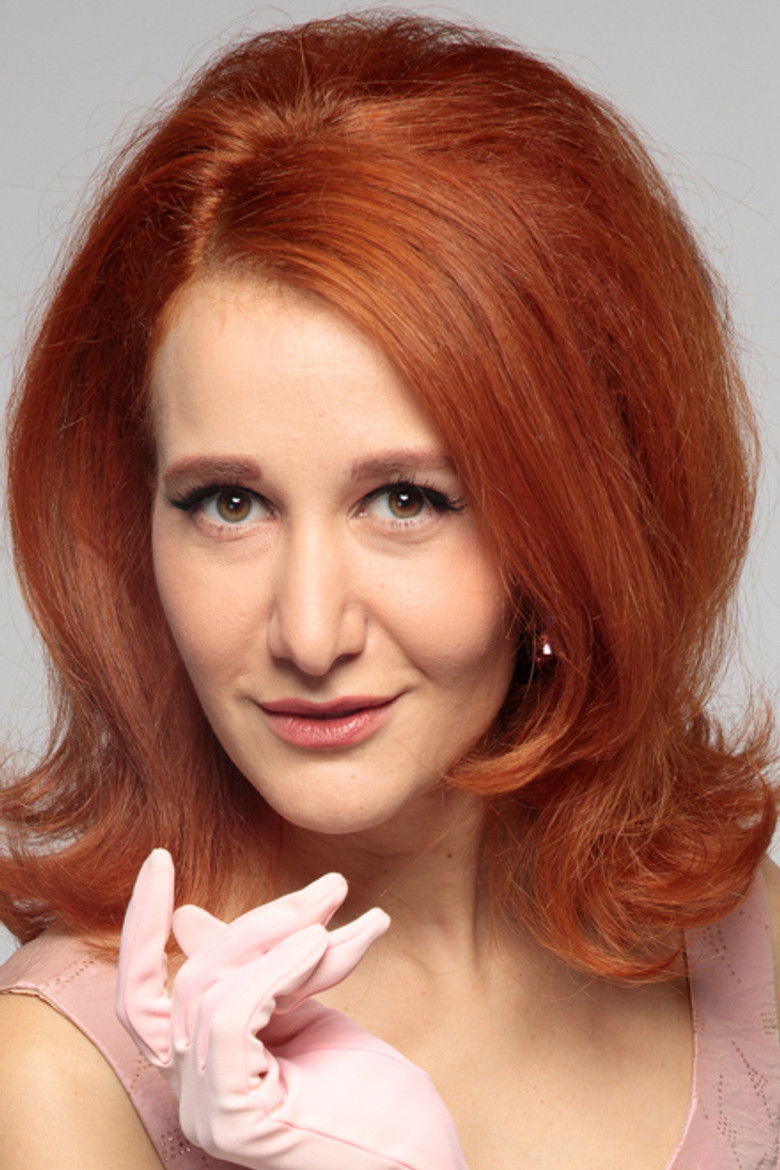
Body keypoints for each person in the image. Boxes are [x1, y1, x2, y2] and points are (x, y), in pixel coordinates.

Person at [0, 11, 777, 1169]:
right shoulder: (57, 1080)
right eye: (229, 503)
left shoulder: (751, 949)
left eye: (407, 499)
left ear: (578, 523)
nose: (311, 633)